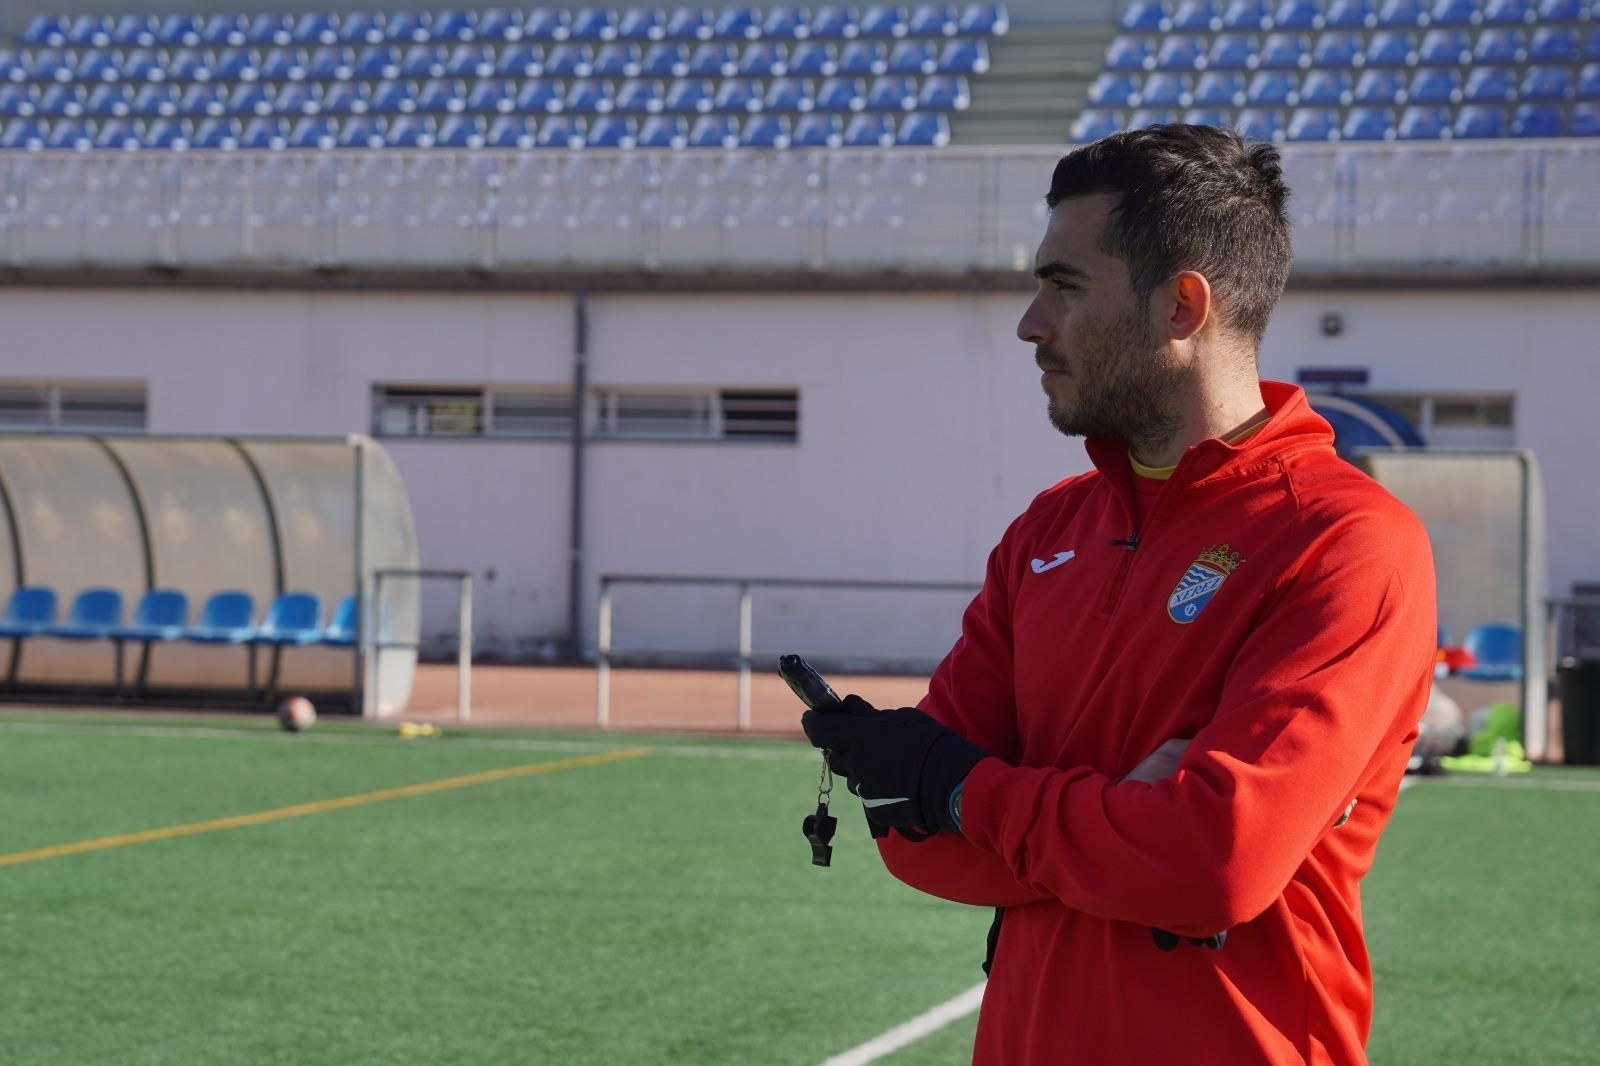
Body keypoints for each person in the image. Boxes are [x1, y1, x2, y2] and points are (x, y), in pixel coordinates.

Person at [800, 125, 1437, 1064]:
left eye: (1064, 286)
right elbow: (913, 836)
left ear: (1183, 306)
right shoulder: (1048, 532)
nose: (1029, 322)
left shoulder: (1345, 541)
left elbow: (1212, 862)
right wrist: (1111, 817)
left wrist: (966, 788)